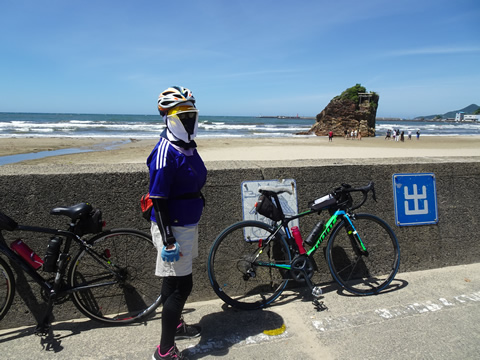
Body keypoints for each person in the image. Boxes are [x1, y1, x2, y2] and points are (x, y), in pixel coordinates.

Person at [148, 86, 207, 360]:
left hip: (187, 223)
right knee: (181, 286)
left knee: (173, 283)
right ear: (168, 117)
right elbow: (157, 199)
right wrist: (168, 238)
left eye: (190, 114)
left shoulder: (187, 147)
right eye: (181, 115)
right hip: (173, 226)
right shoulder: (165, 152)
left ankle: (177, 325)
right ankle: (165, 350)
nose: (188, 120)